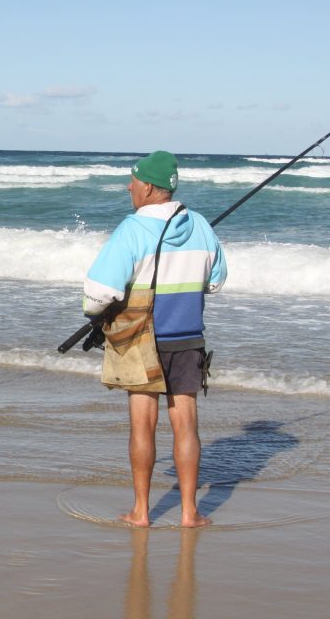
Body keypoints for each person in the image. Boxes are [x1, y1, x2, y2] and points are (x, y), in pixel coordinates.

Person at [82, 151, 226, 527]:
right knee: (187, 425)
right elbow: (216, 281)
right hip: (188, 337)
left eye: (132, 181)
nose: (129, 187)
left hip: (141, 340)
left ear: (147, 186)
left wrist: (95, 313)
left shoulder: (132, 229)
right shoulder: (200, 225)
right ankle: (190, 513)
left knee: (142, 425)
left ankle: (141, 512)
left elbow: (98, 291)